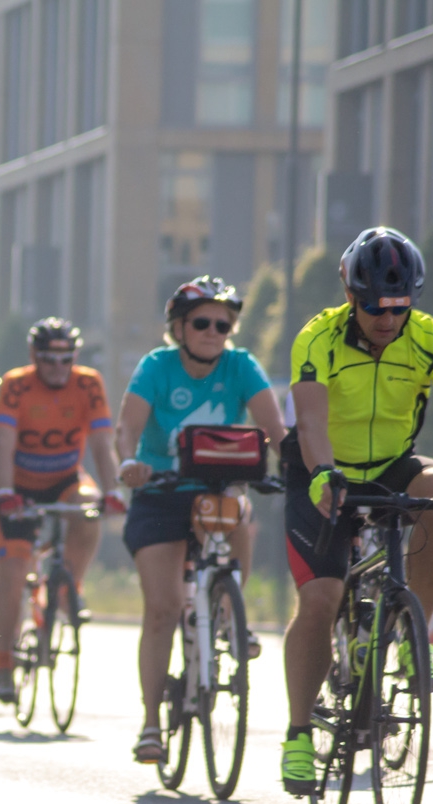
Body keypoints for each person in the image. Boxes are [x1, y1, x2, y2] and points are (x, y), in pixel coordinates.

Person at [280, 227, 433, 796]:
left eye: (399, 307)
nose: (386, 318)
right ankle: (300, 735)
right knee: (321, 599)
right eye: (374, 307)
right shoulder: (318, 339)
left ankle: (408, 634)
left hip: (388, 463)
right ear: (351, 296)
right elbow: (308, 422)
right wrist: (325, 475)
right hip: (320, 465)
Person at [115, 277, 287, 763]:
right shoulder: (157, 366)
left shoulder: (241, 365)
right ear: (179, 327)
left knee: (241, 515)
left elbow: (275, 430)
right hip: (161, 492)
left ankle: (230, 616)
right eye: (203, 323)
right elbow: (126, 429)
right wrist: (130, 463)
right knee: (163, 609)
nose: (215, 331)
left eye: (224, 324)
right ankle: (151, 724)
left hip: (215, 488)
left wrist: (293, 465)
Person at [0, 317, 120, 704]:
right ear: (34, 357)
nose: (58, 368)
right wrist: (6, 492)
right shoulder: (16, 384)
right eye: (49, 359)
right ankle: (3, 660)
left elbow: (101, 444)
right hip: (20, 485)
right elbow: (2, 445)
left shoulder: (89, 382)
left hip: (65, 478)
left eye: (66, 359)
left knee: (89, 505)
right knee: (12, 574)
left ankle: (68, 588)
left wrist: (112, 491)